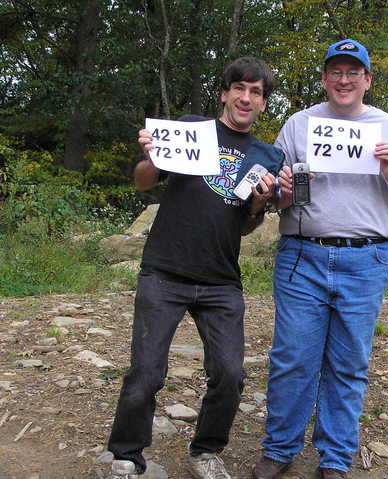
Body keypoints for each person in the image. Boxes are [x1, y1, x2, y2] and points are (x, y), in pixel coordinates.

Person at [252, 40, 388, 479]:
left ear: (368, 80)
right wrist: (282, 192)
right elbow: (271, 190)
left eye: (354, 72)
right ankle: (280, 448)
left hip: (366, 260)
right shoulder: (299, 124)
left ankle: (334, 457)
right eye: (336, 71)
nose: (344, 80)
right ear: (325, 79)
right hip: (303, 257)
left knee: (349, 362)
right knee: (293, 356)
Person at [107, 56, 283, 479]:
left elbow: (246, 225)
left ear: (263, 103)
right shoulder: (190, 130)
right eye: (238, 88)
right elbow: (143, 182)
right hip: (164, 272)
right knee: (146, 373)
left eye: (255, 92)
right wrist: (151, 156)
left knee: (230, 374)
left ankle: (206, 450)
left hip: (221, 281)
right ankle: (128, 456)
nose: (245, 97)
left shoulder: (267, 155)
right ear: (224, 93)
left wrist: (260, 203)